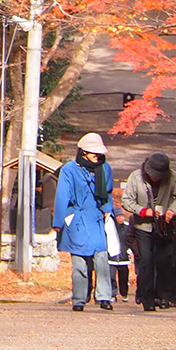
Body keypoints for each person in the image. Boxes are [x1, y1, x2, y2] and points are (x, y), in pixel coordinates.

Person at [120, 151, 176, 311]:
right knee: (146, 261)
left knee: (164, 261)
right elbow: (126, 200)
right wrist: (142, 211)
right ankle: (147, 297)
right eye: (153, 175)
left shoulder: (172, 177)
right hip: (142, 226)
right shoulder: (136, 177)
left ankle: (164, 296)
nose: (156, 178)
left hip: (163, 227)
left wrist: (172, 210)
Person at [54, 132, 115, 312]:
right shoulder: (69, 169)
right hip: (77, 218)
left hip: (96, 217)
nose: (97, 155)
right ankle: (79, 299)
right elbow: (62, 196)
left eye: (98, 152)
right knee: (79, 260)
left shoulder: (105, 168)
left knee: (102, 257)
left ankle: (104, 297)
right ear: (83, 152)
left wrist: (107, 209)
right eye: (92, 152)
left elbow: (109, 192)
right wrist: (58, 222)